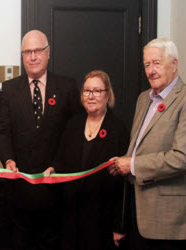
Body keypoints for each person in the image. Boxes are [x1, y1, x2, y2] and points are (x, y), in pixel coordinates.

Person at [0, 30, 83, 249]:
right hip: (19, 190)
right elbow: (3, 131)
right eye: (27, 52)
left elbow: (74, 134)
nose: (33, 56)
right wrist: (7, 160)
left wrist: (58, 165)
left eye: (38, 51)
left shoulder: (67, 87)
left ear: (48, 52)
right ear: (22, 55)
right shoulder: (9, 89)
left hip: (54, 190)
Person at [109, 38, 186, 250]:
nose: (151, 70)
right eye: (147, 65)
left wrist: (133, 165)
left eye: (157, 63)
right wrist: (122, 164)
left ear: (174, 64)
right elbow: (137, 148)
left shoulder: (184, 99)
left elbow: (181, 157)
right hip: (137, 214)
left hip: (168, 220)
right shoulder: (144, 99)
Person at [44, 70, 129, 249]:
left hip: (101, 220)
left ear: (108, 94)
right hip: (70, 216)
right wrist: (53, 169)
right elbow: (61, 159)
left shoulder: (118, 129)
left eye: (97, 91)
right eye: (87, 91)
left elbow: (124, 184)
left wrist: (119, 225)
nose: (91, 96)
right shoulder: (73, 123)